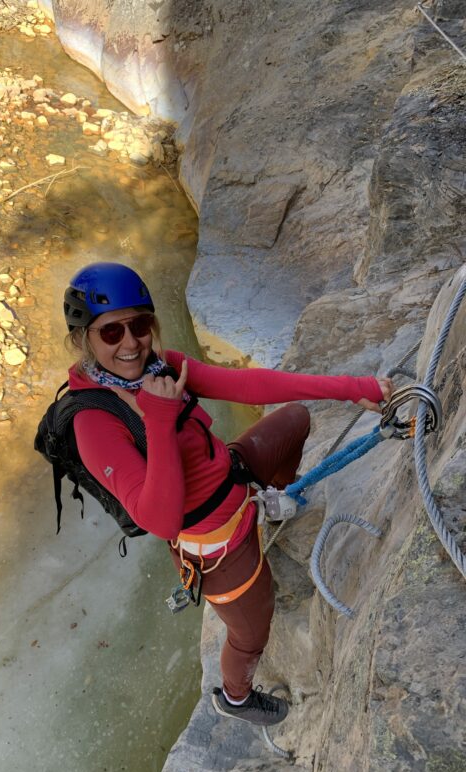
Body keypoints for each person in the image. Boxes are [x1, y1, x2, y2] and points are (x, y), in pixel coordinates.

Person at [63, 261, 393, 727]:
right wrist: (158, 416)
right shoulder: (93, 422)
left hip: (233, 477)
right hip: (214, 543)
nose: (131, 342)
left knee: (294, 419)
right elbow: (160, 519)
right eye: (111, 332)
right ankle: (235, 697)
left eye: (139, 325)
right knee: (251, 632)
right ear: (84, 340)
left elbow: (249, 384)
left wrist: (350, 388)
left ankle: (274, 505)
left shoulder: (165, 367)